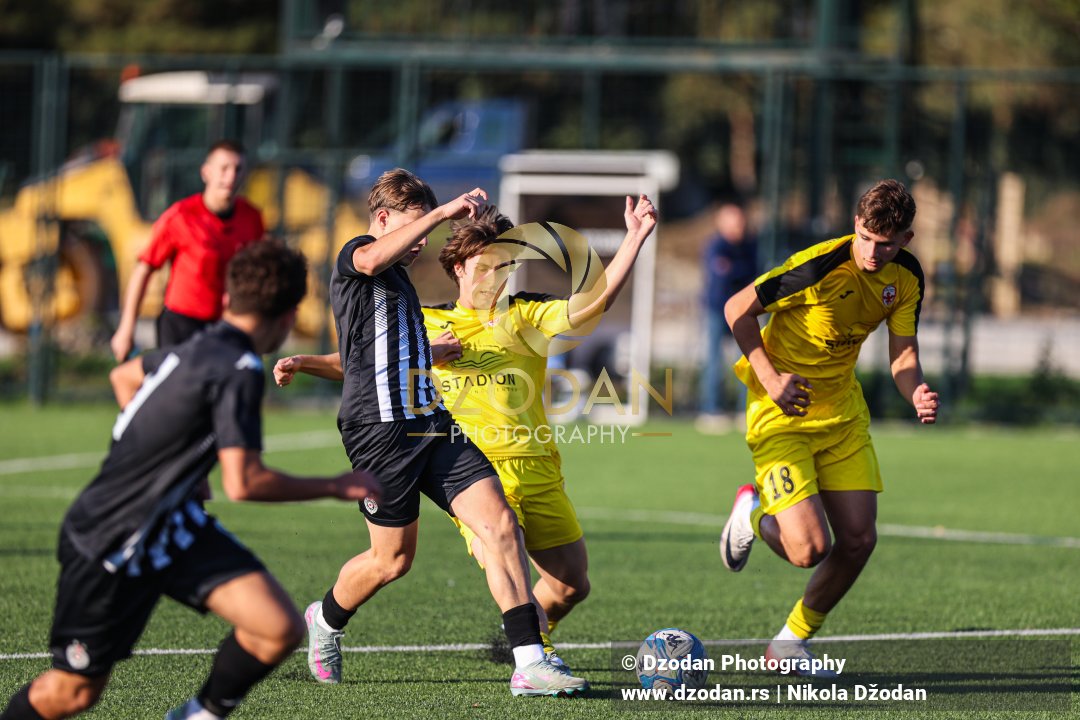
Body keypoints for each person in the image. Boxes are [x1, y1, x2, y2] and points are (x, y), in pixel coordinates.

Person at [0, 241, 381, 720]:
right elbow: (244, 483)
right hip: (112, 538)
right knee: (74, 692)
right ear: (287, 320)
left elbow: (124, 377)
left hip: (173, 527)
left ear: (227, 301)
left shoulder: (201, 344)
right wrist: (335, 484)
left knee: (276, 627)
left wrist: (178, 467)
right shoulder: (240, 369)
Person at [275, 196, 657, 670]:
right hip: (470, 462)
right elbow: (361, 364)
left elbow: (594, 301)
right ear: (457, 267)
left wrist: (635, 237)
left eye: (505, 266)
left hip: (539, 466)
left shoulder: (527, 316)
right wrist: (305, 364)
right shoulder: (429, 321)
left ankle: (520, 637)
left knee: (570, 585)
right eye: (484, 266)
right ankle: (534, 655)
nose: (495, 277)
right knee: (501, 534)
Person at [718, 180, 939, 674]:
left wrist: (916, 391)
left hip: (842, 416)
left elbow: (903, 355)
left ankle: (789, 643)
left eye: (886, 242)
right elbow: (737, 310)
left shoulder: (906, 277)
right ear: (854, 226)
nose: (872, 251)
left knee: (859, 540)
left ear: (906, 238)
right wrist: (770, 379)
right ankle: (754, 512)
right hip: (781, 415)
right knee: (810, 550)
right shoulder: (817, 266)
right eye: (865, 236)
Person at [110, 140, 265, 363]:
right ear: (206, 172)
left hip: (228, 325)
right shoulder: (181, 216)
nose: (230, 177)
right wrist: (126, 329)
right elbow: (143, 271)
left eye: (237, 169)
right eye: (223, 168)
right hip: (182, 324)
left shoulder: (252, 219)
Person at [697, 202, 757, 432]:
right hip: (716, 310)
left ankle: (746, 411)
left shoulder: (751, 245)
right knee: (714, 362)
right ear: (721, 224)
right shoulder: (716, 246)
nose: (738, 227)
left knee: (750, 360)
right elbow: (723, 274)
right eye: (733, 222)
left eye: (740, 221)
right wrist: (738, 271)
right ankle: (712, 411)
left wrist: (737, 269)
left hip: (745, 312)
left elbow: (755, 272)